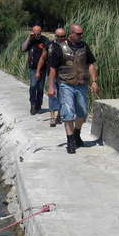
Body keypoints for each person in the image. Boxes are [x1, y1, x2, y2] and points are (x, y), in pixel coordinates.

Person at [47, 23, 99, 154]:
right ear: (71, 34)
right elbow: (52, 69)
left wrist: (94, 81)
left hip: (81, 84)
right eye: (78, 34)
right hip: (65, 84)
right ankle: (70, 141)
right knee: (68, 112)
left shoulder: (84, 46)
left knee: (82, 112)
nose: (81, 36)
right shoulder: (59, 48)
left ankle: (77, 133)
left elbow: (91, 64)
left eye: (82, 33)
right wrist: (51, 86)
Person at [36, 28, 66, 127]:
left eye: (63, 36)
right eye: (59, 36)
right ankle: (52, 116)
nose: (61, 38)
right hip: (51, 73)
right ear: (55, 36)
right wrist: (38, 71)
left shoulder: (68, 46)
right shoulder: (49, 46)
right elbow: (43, 58)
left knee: (62, 96)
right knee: (52, 95)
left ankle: (60, 115)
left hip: (64, 74)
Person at [21, 25, 47, 114]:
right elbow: (23, 48)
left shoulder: (45, 40)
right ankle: (32, 105)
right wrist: (28, 38)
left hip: (43, 68)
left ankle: (38, 105)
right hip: (32, 68)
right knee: (33, 86)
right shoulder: (30, 40)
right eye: (34, 32)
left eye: (38, 32)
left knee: (40, 88)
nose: (36, 34)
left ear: (41, 31)